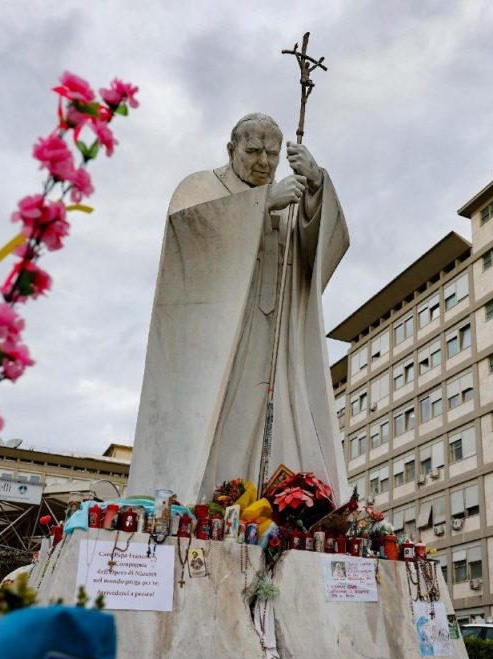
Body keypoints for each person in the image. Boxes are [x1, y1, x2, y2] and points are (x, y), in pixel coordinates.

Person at [127, 113, 349, 502]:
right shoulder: (200, 188)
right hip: (220, 340)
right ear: (231, 150)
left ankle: (278, 503)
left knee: (278, 422)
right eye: (252, 151)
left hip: (277, 339)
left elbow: (321, 252)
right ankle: (204, 502)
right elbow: (188, 237)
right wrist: (261, 204)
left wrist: (316, 187)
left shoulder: (290, 196)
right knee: (220, 425)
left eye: (272, 153)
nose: (263, 162)